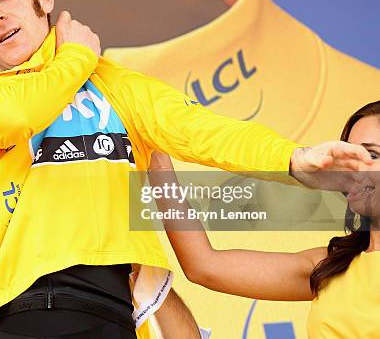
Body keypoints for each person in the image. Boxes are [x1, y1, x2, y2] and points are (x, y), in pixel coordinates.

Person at [0, 0, 372, 339]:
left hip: (106, 311)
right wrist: (75, 58)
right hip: (10, 314)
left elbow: (200, 130)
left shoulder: (120, 89)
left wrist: (293, 158)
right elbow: (19, 113)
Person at [152, 100, 380, 338]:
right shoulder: (331, 264)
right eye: (350, 155)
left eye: (372, 154)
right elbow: (203, 265)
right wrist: (157, 162)